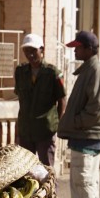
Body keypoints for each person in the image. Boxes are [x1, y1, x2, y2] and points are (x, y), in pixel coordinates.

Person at [57, 31, 100, 198]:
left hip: (86, 136)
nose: (75, 51)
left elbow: (96, 108)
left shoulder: (94, 70)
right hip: (86, 136)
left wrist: (74, 122)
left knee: (83, 182)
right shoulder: (90, 69)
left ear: (89, 49)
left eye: (78, 48)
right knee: (89, 182)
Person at [14, 33, 66, 166]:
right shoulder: (20, 72)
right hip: (26, 130)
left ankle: (50, 188)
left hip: (45, 130)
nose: (30, 55)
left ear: (41, 50)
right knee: (25, 170)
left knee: (46, 170)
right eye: (26, 51)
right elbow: (20, 99)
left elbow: (62, 100)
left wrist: (57, 125)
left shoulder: (52, 73)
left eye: (33, 51)